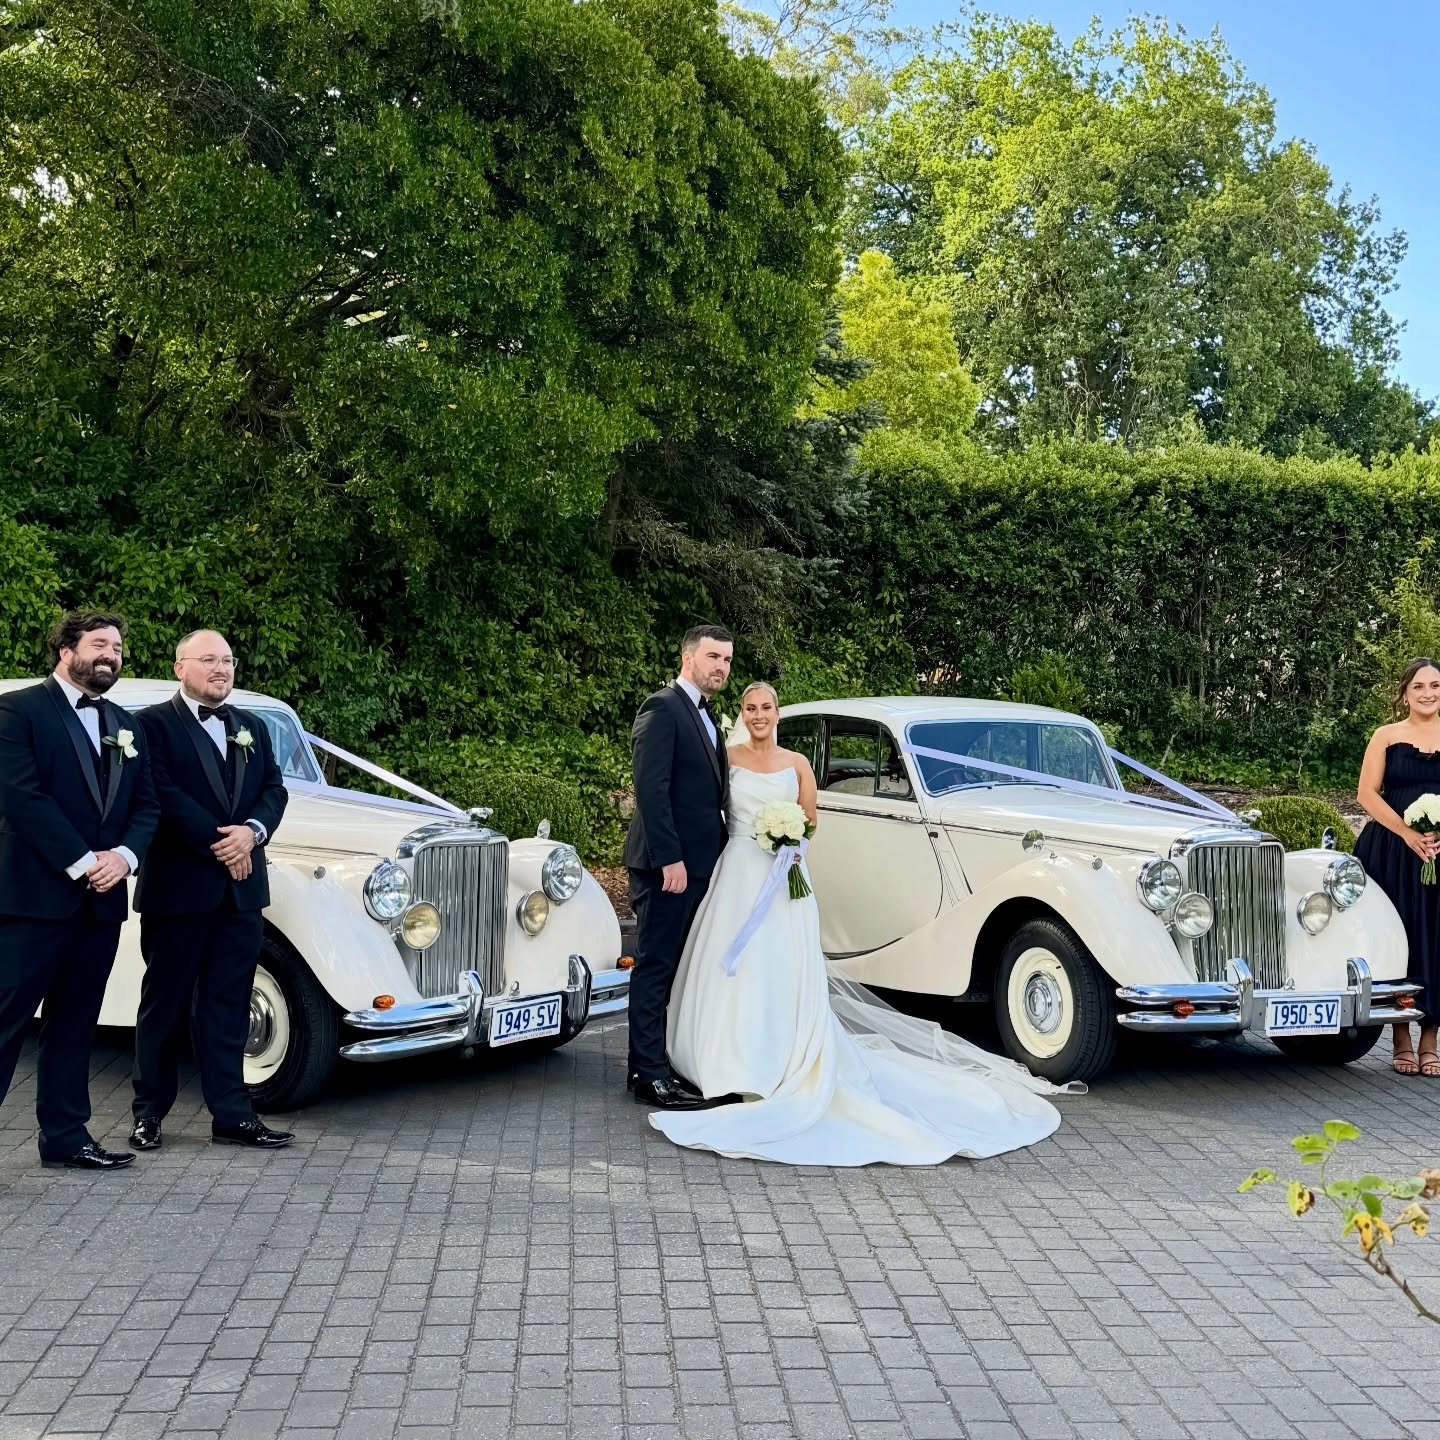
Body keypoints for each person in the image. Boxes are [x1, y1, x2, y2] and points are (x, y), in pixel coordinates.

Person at [649, 681, 1071, 1165]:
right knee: (730, 966)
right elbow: (705, 807)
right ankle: (722, 1062)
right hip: (737, 874)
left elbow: (810, 822)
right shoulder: (727, 758)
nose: (759, 715)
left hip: (785, 876)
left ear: (777, 713)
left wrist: (790, 840)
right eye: (751, 708)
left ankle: (782, 1060)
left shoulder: (798, 764)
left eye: (767, 707)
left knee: (783, 966)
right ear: (742, 714)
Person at [0, 611, 159, 1169]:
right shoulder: (17, 711)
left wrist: (124, 856)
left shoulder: (127, 723)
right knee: (6, 1023)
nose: (110, 656)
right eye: (99, 645)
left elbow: (147, 805)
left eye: (117, 647)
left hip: (101, 904)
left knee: (74, 1024)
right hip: (32, 901)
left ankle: (65, 1138)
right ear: (66, 650)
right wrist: (81, 860)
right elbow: (21, 797)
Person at [128, 631, 294, 1149]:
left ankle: (232, 1116)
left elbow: (274, 787)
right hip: (179, 888)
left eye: (227, 660)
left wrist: (253, 833)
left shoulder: (252, 726)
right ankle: (149, 1113)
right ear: (180, 667)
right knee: (165, 1004)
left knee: (229, 1003)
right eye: (208, 660)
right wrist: (223, 844)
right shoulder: (151, 725)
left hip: (242, 894)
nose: (220, 669)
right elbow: (157, 791)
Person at [623, 625, 734, 1110]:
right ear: (688, 657)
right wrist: (670, 858)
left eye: (727, 660)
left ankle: (659, 1063)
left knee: (682, 969)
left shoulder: (705, 716)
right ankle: (647, 1076)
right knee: (657, 966)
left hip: (702, 866)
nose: (721, 668)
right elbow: (650, 788)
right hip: (669, 867)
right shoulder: (662, 708)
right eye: (713, 657)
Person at [1356, 657, 1440, 1077]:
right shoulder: (1386, 736)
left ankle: (1430, 1040)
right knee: (1397, 937)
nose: (1428, 693)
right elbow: (1367, 794)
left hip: (1439, 852)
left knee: (1437, 939)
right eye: (1419, 686)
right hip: (1391, 849)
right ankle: (1400, 1037)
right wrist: (1407, 833)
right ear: (1405, 693)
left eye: (1436, 686)